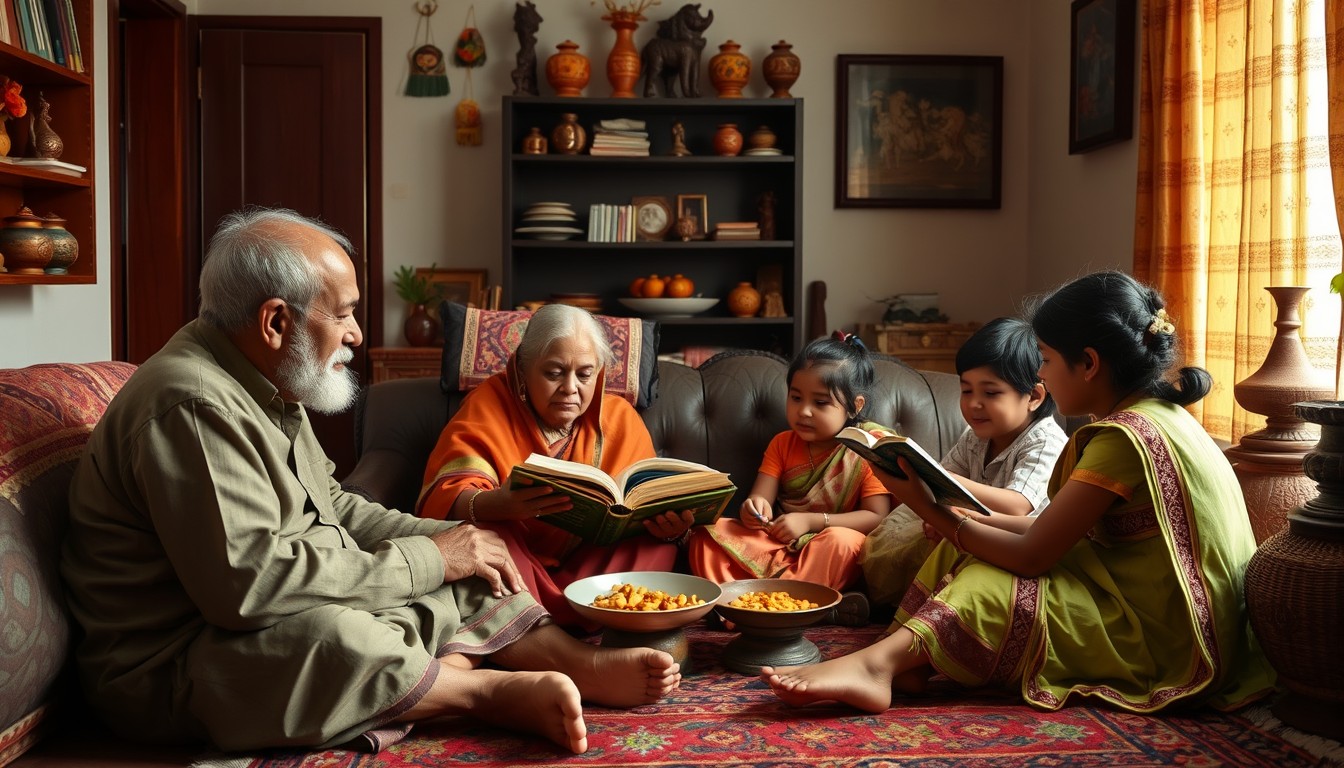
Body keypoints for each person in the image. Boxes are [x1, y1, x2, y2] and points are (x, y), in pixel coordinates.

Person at [60, 207, 681, 756]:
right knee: (336, 636)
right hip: (179, 657)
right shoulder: (193, 405)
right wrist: (429, 557)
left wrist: (451, 542)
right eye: (346, 314)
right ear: (276, 321)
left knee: (472, 555)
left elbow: (333, 506)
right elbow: (247, 588)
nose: (357, 333)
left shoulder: (267, 382)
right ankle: (479, 691)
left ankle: (577, 663)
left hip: (260, 611)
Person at [761, 271, 1276, 715]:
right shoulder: (1157, 419)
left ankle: (876, 666)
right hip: (1163, 611)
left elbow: (1031, 555)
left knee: (988, 575)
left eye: (1047, 361)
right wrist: (951, 519)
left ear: (1089, 363)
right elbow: (1043, 532)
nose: (1043, 375)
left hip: (1172, 641)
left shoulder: (1125, 437)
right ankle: (909, 663)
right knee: (966, 543)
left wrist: (923, 502)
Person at [417, 302, 695, 630]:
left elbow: (644, 502)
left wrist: (670, 528)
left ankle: (570, 619)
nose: (570, 388)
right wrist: (499, 505)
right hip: (517, 567)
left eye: (585, 374)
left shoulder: (620, 418)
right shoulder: (487, 406)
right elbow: (444, 498)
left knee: (652, 545)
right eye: (554, 373)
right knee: (483, 535)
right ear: (522, 370)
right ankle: (534, 626)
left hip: (592, 567)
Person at [859, 317, 1067, 606]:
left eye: (990, 393)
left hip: (1014, 544)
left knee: (940, 536)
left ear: (1033, 396)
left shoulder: (1046, 441)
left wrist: (943, 480)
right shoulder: (976, 436)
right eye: (966, 390)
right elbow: (940, 483)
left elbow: (1016, 505)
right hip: (970, 524)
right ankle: (879, 600)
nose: (973, 404)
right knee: (902, 526)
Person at [687, 333, 893, 623]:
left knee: (845, 542)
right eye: (796, 397)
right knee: (706, 531)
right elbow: (761, 497)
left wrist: (812, 522)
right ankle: (781, 607)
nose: (804, 411)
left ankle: (760, 611)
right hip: (778, 543)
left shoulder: (866, 448)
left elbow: (876, 516)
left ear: (855, 406)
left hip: (824, 548)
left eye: (820, 403)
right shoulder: (783, 443)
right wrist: (754, 510)